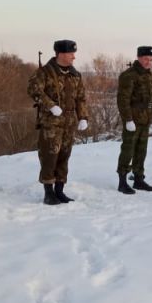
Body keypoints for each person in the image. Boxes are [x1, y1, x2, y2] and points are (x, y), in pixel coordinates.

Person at [27, 39, 88, 205]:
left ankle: (60, 190)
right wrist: (51, 106)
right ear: (61, 54)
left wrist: (83, 117)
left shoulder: (75, 75)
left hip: (69, 122)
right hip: (51, 122)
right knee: (50, 156)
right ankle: (48, 192)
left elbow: (81, 98)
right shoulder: (45, 72)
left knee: (64, 156)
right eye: (71, 53)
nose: (74, 57)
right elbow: (33, 90)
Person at [115, 45, 152, 194]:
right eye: (146, 59)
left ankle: (138, 179)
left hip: (145, 118)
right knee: (128, 149)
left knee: (141, 150)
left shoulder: (150, 75)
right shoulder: (128, 75)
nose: (149, 62)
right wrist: (128, 119)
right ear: (139, 58)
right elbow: (123, 100)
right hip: (133, 119)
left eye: (151, 60)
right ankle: (122, 181)